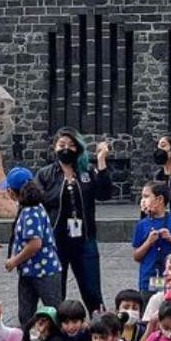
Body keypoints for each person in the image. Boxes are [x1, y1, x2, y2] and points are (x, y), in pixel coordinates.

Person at [36, 127, 113, 313]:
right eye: (62, 145)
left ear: (78, 148)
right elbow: (36, 205)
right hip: (55, 242)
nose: (66, 149)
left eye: (71, 145)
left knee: (92, 292)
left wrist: (101, 161)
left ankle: (100, 330)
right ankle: (56, 335)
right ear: (54, 147)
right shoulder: (46, 174)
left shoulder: (85, 171)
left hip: (85, 240)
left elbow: (104, 193)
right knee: (55, 294)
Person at [1, 167, 64, 324]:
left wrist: (14, 261)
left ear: (11, 191)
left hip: (42, 271)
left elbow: (35, 243)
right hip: (31, 270)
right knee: (26, 314)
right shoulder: (32, 207)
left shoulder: (30, 211)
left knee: (54, 312)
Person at [133, 181, 171, 295]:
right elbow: (136, 256)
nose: (143, 200)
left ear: (159, 199)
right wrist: (148, 242)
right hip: (148, 279)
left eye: (146, 196)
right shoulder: (141, 224)